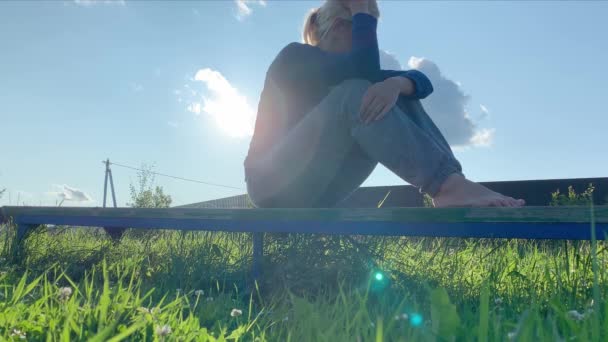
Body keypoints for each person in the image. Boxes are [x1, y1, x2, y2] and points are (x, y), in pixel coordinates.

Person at [244, 0, 525, 208]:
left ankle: (451, 183)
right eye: (358, 32)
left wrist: (397, 85)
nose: (362, 45)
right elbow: (363, 71)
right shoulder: (294, 58)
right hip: (270, 184)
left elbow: (420, 81)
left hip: (317, 190)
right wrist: (363, 12)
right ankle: (447, 186)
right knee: (359, 91)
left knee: (389, 93)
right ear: (337, 28)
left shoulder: (346, 72)